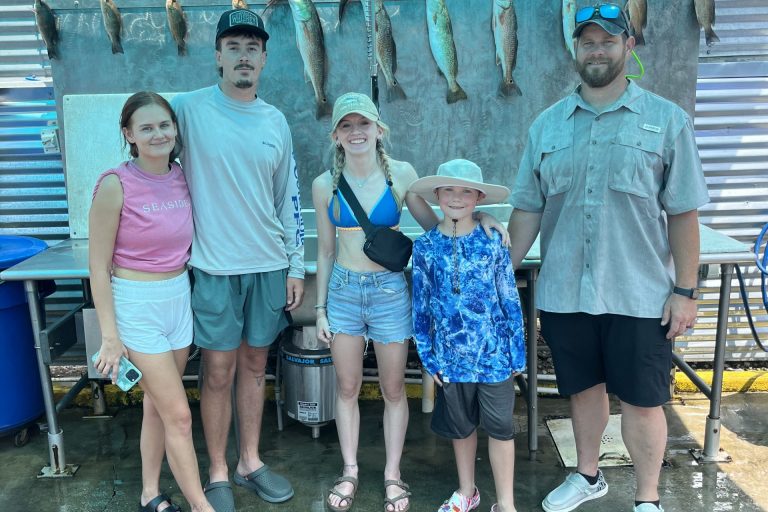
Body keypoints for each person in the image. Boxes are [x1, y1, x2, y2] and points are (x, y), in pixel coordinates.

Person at [506, 4, 709, 512]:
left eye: (608, 41)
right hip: (565, 288)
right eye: (588, 42)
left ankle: (646, 499)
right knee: (582, 391)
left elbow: (683, 213)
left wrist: (685, 291)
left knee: (644, 400)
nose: (597, 50)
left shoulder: (666, 120)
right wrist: (497, 272)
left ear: (629, 46)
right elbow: (527, 210)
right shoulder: (546, 126)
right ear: (576, 50)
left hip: (639, 292)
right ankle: (588, 474)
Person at [312, 93, 508, 512]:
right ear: (336, 136)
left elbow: (440, 225)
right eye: (346, 126)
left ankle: (392, 474)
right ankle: (350, 471)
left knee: (393, 389)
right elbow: (325, 251)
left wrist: (485, 217)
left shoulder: (400, 175)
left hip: (389, 293)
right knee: (346, 388)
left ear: (379, 129)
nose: (356, 132)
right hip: (344, 292)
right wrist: (321, 308)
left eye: (363, 123)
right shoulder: (324, 183)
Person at [170, 8, 305, 511]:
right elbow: (144, 142)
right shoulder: (187, 109)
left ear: (265, 58)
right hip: (213, 267)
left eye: (252, 47)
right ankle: (218, 471)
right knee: (218, 370)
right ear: (218, 57)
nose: (244, 55)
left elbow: (286, 195)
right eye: (233, 46)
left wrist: (295, 263)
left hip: (268, 264)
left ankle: (250, 461)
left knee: (254, 365)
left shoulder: (275, 120)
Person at [90, 91, 214, 512]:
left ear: (175, 129)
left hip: (178, 297)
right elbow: (98, 267)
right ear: (129, 135)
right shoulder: (115, 183)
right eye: (146, 127)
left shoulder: (181, 174)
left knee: (158, 407)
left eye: (164, 125)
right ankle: (202, 506)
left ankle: (149, 492)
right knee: (179, 415)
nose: (157, 134)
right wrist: (111, 337)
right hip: (136, 305)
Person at [409, 159, 526, 512]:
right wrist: (428, 358)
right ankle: (467, 491)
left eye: (465, 192)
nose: (456, 198)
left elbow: (509, 298)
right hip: (449, 359)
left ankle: (506, 503)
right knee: (461, 429)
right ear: (437, 196)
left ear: (478, 198)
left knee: (501, 428)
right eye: (449, 190)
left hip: (493, 358)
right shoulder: (425, 247)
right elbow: (421, 309)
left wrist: (517, 353)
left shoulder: (492, 241)